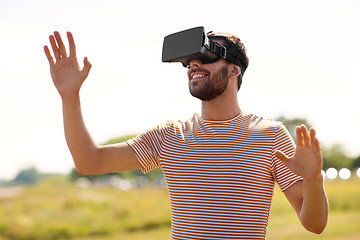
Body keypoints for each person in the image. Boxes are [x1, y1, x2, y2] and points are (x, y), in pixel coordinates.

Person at [44, 30, 328, 240]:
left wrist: (314, 181)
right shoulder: (169, 136)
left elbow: (315, 224)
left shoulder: (270, 135)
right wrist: (69, 97)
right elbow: (89, 161)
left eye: (205, 57)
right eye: (189, 63)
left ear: (234, 69)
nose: (194, 66)